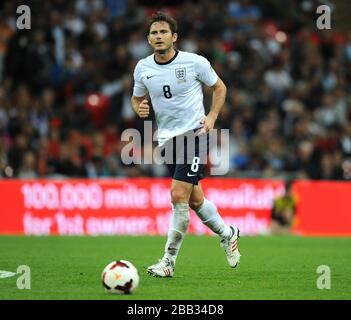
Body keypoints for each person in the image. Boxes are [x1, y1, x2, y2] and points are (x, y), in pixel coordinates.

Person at [131, 12, 241, 277]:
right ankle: (228, 234)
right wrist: (139, 108)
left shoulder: (195, 62)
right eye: (154, 33)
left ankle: (168, 262)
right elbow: (136, 99)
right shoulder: (143, 68)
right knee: (194, 199)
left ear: (174, 37)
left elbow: (220, 88)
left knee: (177, 195)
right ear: (148, 39)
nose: (158, 37)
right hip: (166, 139)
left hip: (195, 134)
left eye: (163, 32)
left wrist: (212, 116)